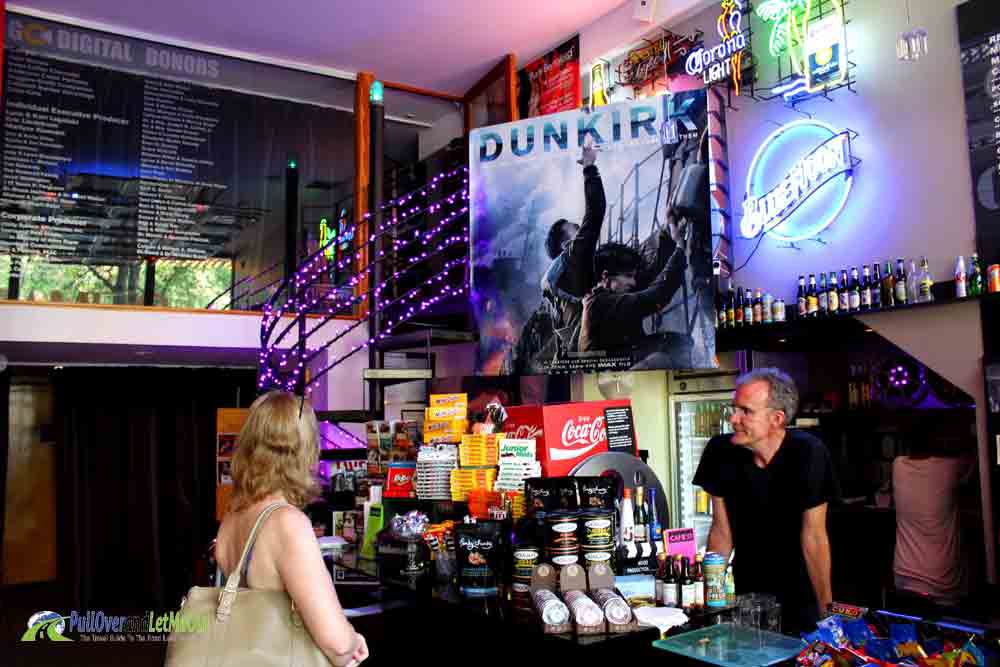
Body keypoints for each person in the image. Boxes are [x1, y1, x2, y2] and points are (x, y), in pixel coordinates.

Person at [215, 391, 369, 667]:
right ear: (304, 449)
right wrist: (352, 642)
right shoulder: (287, 522)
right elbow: (336, 641)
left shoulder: (234, 514)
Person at [693, 369, 838, 634]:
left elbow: (814, 538)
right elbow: (721, 532)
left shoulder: (808, 453)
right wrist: (710, 605)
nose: (733, 418)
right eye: (734, 408)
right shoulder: (720, 451)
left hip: (801, 600)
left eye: (746, 411)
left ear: (776, 419)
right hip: (748, 601)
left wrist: (828, 615)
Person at [514, 141, 605, 373]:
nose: (580, 228)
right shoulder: (574, 255)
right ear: (566, 244)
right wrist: (589, 167)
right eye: (575, 228)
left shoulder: (556, 286)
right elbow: (595, 213)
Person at [577, 219, 688, 356]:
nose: (633, 282)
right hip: (607, 372)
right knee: (676, 346)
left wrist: (667, 233)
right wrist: (680, 248)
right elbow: (655, 296)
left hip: (619, 362)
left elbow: (649, 268)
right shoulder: (599, 303)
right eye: (628, 276)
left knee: (676, 342)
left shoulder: (606, 295)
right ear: (605, 276)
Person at [892, 433, 977, 610]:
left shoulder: (898, 465)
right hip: (942, 582)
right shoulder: (950, 467)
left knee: (910, 637)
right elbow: (978, 453)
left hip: (904, 577)